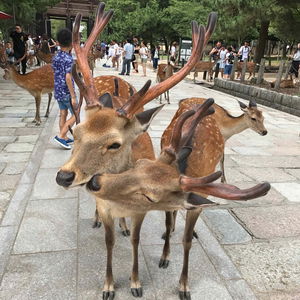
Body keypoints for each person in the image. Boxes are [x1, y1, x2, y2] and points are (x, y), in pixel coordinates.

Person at [52, 28, 77, 150]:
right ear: (71, 43)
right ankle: (61, 136)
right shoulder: (68, 59)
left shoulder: (56, 57)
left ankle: (65, 137)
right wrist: (73, 95)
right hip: (66, 91)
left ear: (59, 42)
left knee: (63, 113)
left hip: (57, 90)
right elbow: (68, 77)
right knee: (75, 115)